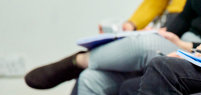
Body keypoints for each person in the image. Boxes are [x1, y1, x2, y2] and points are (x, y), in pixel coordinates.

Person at [25, 0, 186, 90]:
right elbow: (155, 3)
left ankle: (81, 60)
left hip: (188, 42)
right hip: (171, 26)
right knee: (92, 76)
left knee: (146, 44)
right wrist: (131, 25)